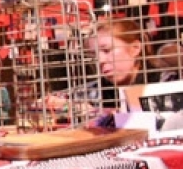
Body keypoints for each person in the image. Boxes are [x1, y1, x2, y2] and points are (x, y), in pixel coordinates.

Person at [44, 20, 174, 124]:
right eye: (94, 55)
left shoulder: (165, 81)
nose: (100, 60)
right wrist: (68, 106)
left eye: (107, 50)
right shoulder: (100, 88)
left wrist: (100, 112)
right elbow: (51, 101)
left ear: (135, 48)